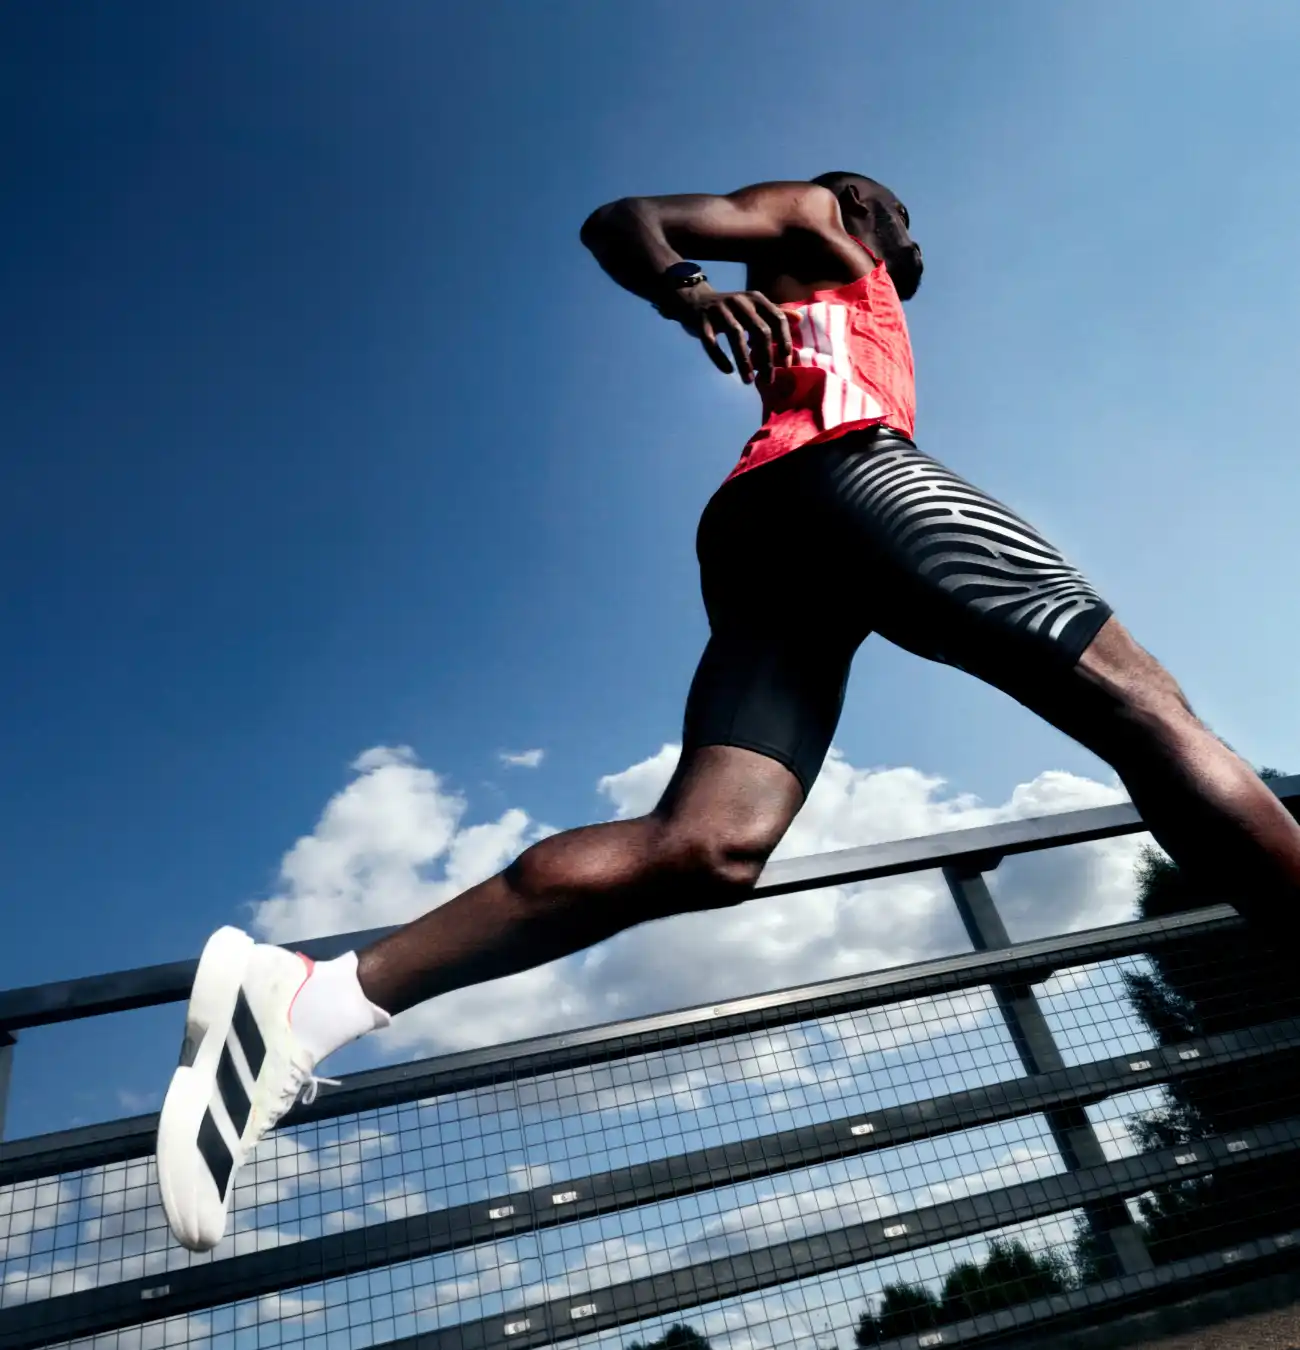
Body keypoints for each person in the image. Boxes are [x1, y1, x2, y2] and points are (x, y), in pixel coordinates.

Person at [155, 173, 1300, 1252]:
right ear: (863, 209)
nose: (910, 251)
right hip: (859, 477)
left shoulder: (841, 293)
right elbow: (624, 218)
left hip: (770, 530)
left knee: (705, 846)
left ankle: (321, 999)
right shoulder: (816, 218)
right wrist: (684, 287)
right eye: (901, 223)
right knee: (1148, 709)